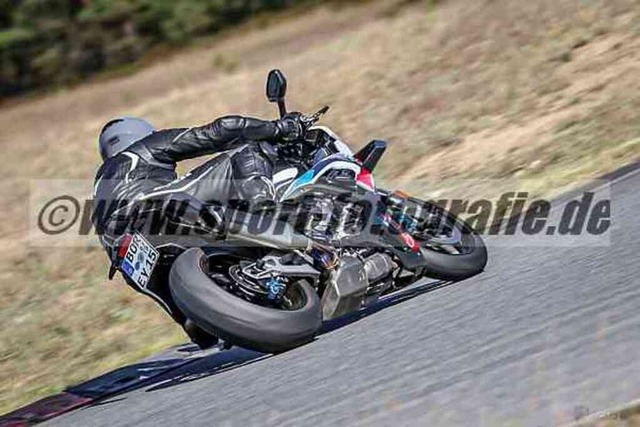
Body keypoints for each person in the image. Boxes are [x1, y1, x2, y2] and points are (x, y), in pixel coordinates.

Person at [92, 114, 331, 348]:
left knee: (200, 331)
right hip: (159, 207)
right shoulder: (138, 151)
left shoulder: (99, 197)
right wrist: (280, 128)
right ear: (140, 135)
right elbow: (220, 130)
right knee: (249, 147)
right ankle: (267, 211)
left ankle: (194, 319)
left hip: (127, 254)